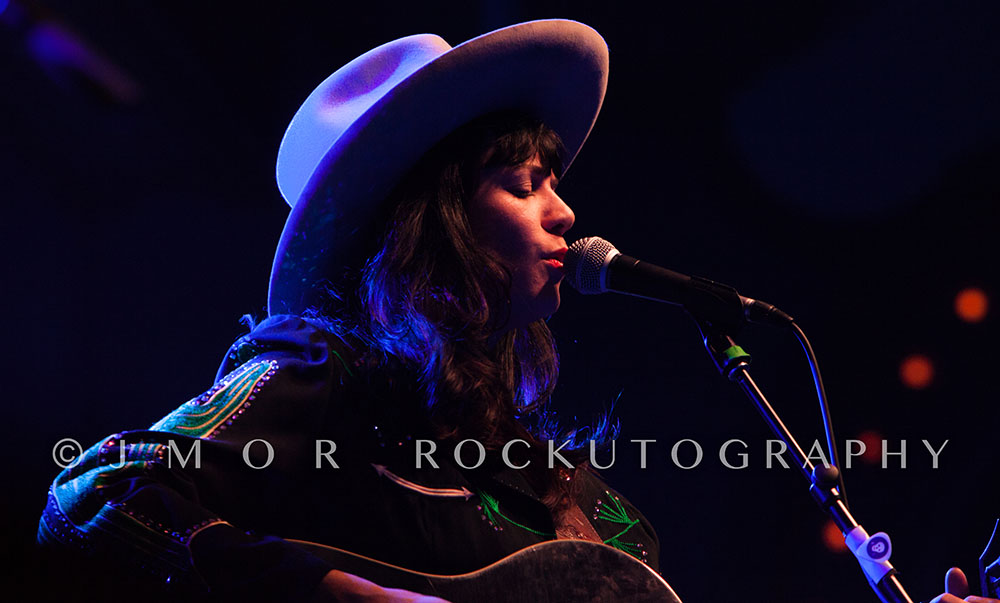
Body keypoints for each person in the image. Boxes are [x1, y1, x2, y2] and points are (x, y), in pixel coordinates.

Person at [37, 20, 664, 602]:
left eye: (554, 185)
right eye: (524, 186)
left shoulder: (564, 492)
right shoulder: (324, 374)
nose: (564, 213)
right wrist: (345, 593)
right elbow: (95, 492)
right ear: (434, 222)